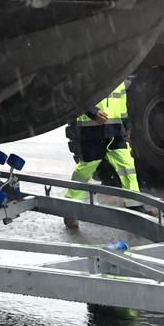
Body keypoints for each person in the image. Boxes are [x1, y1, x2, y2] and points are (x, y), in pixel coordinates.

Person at [62, 82, 141, 229]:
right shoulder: (92, 71)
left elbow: (122, 103)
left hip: (116, 131)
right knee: (85, 171)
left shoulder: (119, 75)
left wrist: (126, 124)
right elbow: (76, 96)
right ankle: (70, 209)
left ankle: (134, 204)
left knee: (127, 166)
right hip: (92, 131)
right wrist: (92, 112)